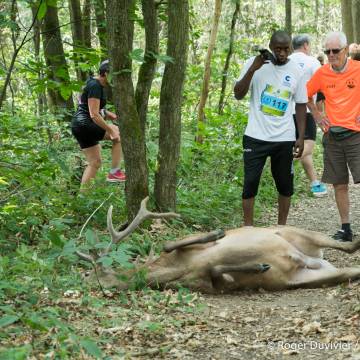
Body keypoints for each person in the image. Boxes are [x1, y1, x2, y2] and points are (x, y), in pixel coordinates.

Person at [234, 30, 307, 226]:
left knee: (285, 185)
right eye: (278, 49)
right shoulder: (254, 63)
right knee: (250, 184)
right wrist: (252, 70)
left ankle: (281, 228)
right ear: (271, 46)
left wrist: (300, 136)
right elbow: (238, 94)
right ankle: (248, 228)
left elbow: (300, 104)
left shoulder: (297, 70)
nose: (282, 53)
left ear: (291, 48)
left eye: (286, 49)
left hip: (284, 138)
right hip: (255, 136)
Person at [307, 31, 360, 242]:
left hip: (357, 135)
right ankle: (345, 228)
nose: (331, 54)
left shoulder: (358, 69)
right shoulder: (321, 73)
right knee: (339, 184)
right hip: (333, 137)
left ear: (346, 50)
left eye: (335, 51)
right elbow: (306, 94)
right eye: (327, 51)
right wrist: (318, 115)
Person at [71, 60, 126, 188]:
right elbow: (94, 115)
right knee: (119, 133)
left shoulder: (93, 83)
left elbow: (87, 105)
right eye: (114, 74)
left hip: (78, 126)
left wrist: (107, 112)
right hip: (86, 124)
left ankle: (83, 199)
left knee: (95, 162)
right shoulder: (95, 86)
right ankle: (114, 172)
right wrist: (111, 130)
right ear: (106, 73)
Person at [289, 34, 327, 197]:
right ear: (305, 45)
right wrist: (321, 112)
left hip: (286, 112)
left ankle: (314, 183)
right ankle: (284, 161)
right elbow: (322, 87)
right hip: (305, 110)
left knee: (303, 149)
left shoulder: (286, 60)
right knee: (308, 146)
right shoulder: (312, 62)